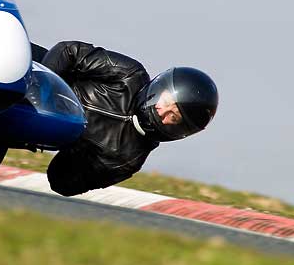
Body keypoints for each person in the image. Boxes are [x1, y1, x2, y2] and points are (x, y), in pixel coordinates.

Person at [39, 41, 218, 196]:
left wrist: (78, 149)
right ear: (160, 86)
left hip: (34, 129)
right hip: (35, 73)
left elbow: (60, 182)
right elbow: (69, 51)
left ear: (179, 130)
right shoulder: (130, 74)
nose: (160, 110)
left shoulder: (128, 160)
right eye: (166, 100)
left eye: (173, 116)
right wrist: (43, 90)